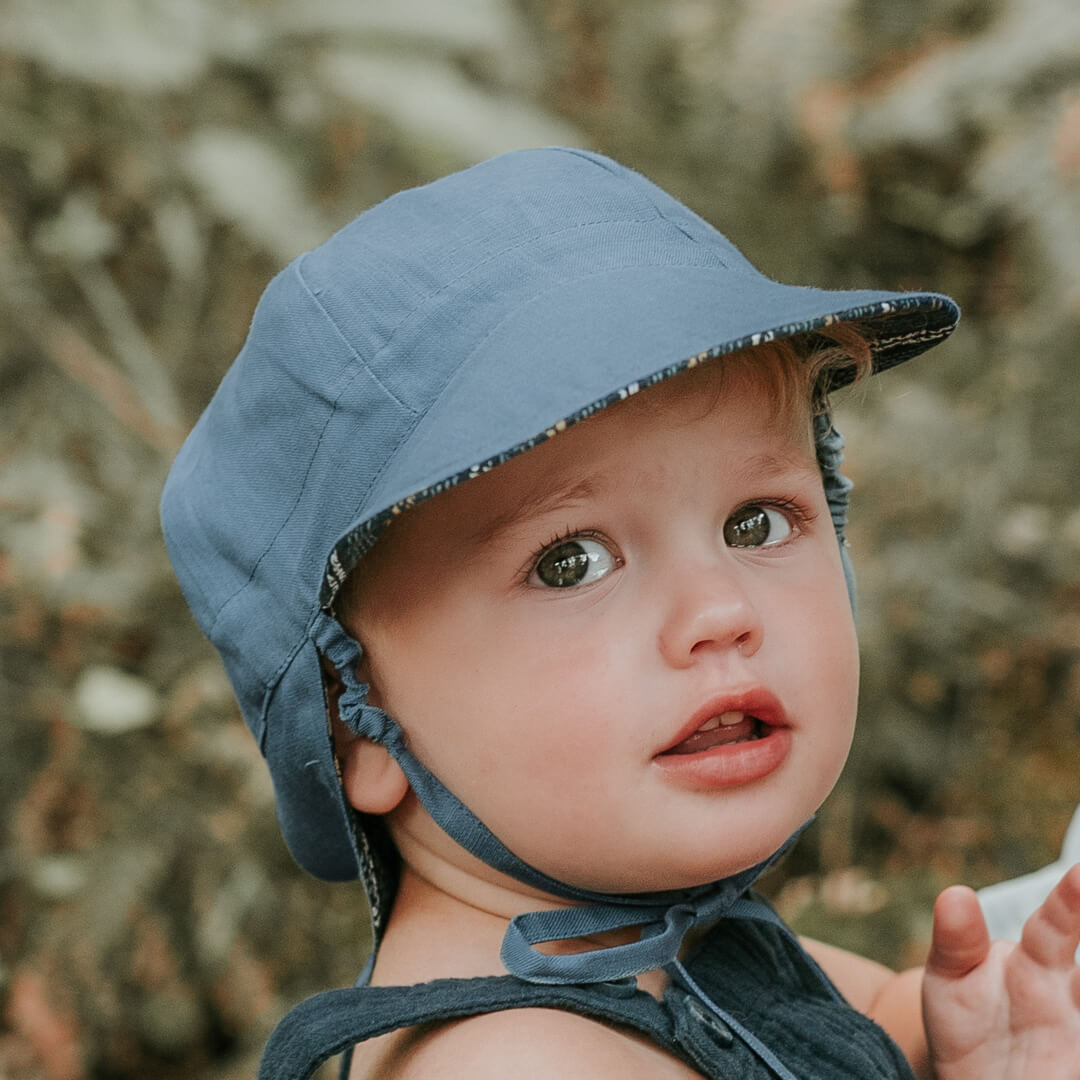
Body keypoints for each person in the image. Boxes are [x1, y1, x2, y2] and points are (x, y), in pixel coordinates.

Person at [160, 148, 1080, 1080]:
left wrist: (951, 1042)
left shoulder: (677, 947)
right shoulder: (515, 1064)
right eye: (571, 562)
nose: (721, 610)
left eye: (756, 522)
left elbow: (868, 1024)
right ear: (348, 719)